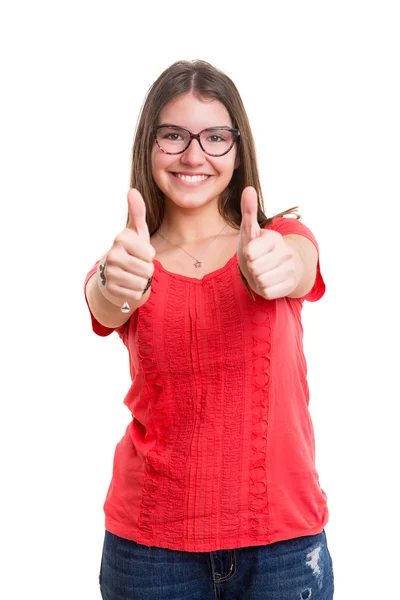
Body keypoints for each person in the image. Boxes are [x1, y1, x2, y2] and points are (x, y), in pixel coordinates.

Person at [84, 60, 334, 600]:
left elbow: (298, 266)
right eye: (174, 135)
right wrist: (114, 279)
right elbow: (105, 303)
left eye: (215, 137)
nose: (194, 155)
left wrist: (275, 265)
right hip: (149, 556)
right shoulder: (131, 259)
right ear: (148, 146)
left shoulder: (280, 238)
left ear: (238, 150)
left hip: (284, 551)